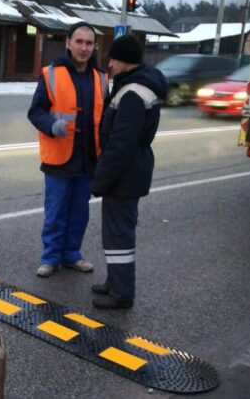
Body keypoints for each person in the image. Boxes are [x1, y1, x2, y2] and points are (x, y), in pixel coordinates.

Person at [91, 35, 167, 309]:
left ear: (124, 61)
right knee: (116, 234)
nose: (109, 64)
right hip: (130, 171)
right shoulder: (135, 85)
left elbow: (121, 144)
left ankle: (121, 294)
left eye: (112, 58)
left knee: (119, 236)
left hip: (125, 175)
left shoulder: (133, 92)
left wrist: (100, 180)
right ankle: (115, 282)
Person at [28, 22, 109, 278]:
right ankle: (50, 257)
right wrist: (52, 125)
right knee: (56, 211)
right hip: (59, 158)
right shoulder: (52, 74)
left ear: (94, 46)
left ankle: (71, 254)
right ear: (68, 43)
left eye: (89, 43)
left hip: (88, 158)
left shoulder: (101, 78)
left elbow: (105, 116)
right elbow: (35, 111)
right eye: (79, 42)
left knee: (79, 212)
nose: (84, 48)